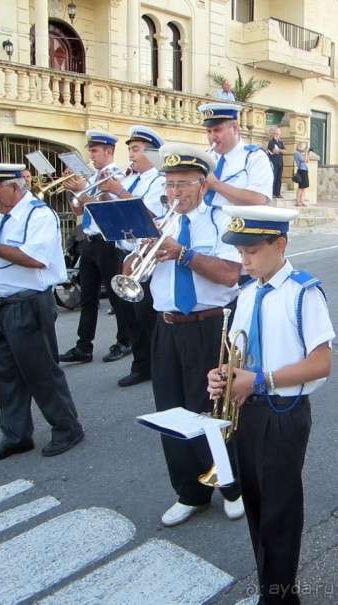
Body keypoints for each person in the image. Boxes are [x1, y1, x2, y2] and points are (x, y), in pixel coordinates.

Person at [208, 205, 335, 605]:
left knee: (280, 513)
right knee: (257, 503)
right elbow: (241, 354)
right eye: (239, 252)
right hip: (248, 409)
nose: (242, 260)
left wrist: (260, 380)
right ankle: (270, 589)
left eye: (251, 251)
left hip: (283, 414)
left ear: (279, 244)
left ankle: (280, 597)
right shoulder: (246, 293)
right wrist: (225, 375)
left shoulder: (303, 291)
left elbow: (321, 362)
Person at [125, 143, 244, 526]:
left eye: (183, 184)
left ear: (202, 186)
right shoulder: (160, 221)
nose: (174, 192)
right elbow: (131, 268)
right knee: (172, 413)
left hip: (210, 326)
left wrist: (183, 254)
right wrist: (138, 252)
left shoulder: (223, 220)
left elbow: (230, 274)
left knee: (214, 412)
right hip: (168, 327)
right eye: (170, 183)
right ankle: (189, 493)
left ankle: (231, 486)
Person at [0, 163, 84, 462]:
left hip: (29, 304)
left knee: (41, 371)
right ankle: (16, 435)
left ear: (15, 186)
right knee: (5, 374)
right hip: (2, 304)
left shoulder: (38, 214)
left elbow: (36, 259)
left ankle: (67, 428)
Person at [58, 130, 131, 365]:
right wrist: (73, 189)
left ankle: (125, 341)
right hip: (88, 243)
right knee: (87, 298)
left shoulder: (116, 176)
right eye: (90, 150)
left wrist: (81, 190)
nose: (91, 155)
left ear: (109, 152)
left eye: (95, 151)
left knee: (115, 297)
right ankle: (83, 346)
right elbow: (79, 211)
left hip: (108, 243)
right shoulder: (90, 177)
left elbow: (104, 209)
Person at [103, 125, 166, 387]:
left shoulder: (159, 180)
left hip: (144, 256)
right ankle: (141, 365)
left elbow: (149, 214)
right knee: (127, 313)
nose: (131, 155)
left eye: (136, 149)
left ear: (151, 153)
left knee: (146, 315)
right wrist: (103, 191)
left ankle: (158, 364)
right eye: (129, 150)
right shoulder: (129, 180)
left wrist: (117, 190)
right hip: (123, 252)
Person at [197, 102, 273, 208]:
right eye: (209, 131)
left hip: (237, 223)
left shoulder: (255, 157)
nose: (212, 137)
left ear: (235, 128)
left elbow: (259, 198)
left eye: (217, 130)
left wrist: (215, 184)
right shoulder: (205, 158)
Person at [267, 127, 287, 198]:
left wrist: (279, 150)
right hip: (274, 162)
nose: (276, 135)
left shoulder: (281, 142)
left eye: (277, 134)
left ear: (279, 134)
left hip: (280, 162)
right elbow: (273, 151)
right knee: (274, 178)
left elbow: (285, 151)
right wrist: (280, 151)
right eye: (275, 133)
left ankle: (277, 193)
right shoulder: (271, 142)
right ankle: (272, 193)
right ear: (273, 133)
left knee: (279, 178)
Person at [294, 142, 310, 207]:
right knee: (301, 187)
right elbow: (305, 160)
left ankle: (302, 200)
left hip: (305, 170)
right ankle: (298, 201)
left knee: (304, 186)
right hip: (302, 171)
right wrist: (306, 153)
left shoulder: (301, 154)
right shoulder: (297, 154)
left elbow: (307, 160)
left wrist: (308, 153)